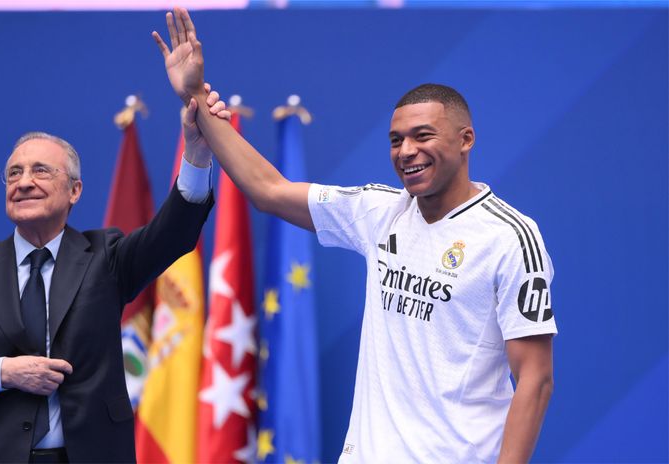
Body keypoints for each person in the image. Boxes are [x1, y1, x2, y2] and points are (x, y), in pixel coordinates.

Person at [153, 8, 557, 463]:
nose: (406, 152)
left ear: (466, 140)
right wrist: (196, 100)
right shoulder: (378, 211)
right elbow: (269, 190)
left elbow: (535, 377)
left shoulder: (510, 237)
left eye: (422, 136)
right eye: (395, 140)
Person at [0, 92, 230, 463]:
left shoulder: (106, 257)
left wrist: (198, 153)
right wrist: (4, 371)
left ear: (75, 190)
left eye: (41, 170)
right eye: (14, 173)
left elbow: (174, 233)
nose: (24, 182)